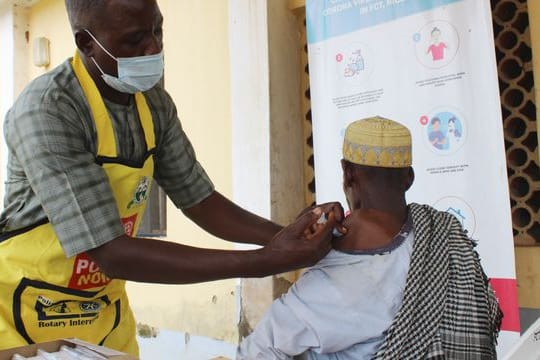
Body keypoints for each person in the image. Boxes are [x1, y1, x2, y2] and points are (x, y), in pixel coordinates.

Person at [0, 0, 344, 355]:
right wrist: (266, 262)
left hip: (102, 312)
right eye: (135, 40)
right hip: (24, 313)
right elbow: (112, 253)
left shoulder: (154, 104)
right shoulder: (48, 110)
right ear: (87, 42)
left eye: (157, 30)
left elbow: (201, 202)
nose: (154, 47)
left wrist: (285, 236)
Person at [237, 116, 502, 359]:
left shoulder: (338, 271)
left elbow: (259, 351)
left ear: (348, 173)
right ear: (408, 178)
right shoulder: (443, 232)